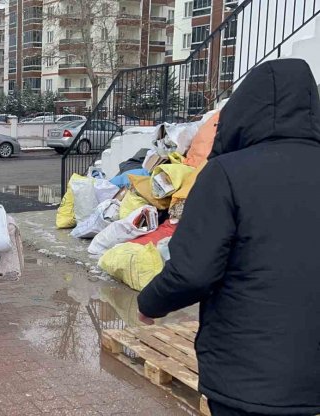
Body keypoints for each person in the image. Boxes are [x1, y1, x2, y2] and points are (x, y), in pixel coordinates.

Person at [137, 59, 320, 416]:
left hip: (248, 377)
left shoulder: (227, 174)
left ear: (245, 109)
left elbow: (193, 271)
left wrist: (150, 304)